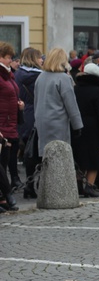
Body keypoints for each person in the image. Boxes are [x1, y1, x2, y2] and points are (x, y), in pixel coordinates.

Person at [34, 48, 83, 158]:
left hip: (42, 122)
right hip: (58, 122)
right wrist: (77, 125)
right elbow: (71, 105)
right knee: (59, 158)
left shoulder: (40, 77)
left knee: (46, 157)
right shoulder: (63, 78)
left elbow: (36, 101)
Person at [72, 63, 99, 198]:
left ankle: (79, 185)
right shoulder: (98, 91)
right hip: (94, 129)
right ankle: (90, 186)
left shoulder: (75, 89)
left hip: (77, 127)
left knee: (79, 157)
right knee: (94, 159)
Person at [15, 47, 43, 195]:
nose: (42, 60)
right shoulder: (39, 76)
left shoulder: (17, 74)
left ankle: (28, 184)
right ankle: (32, 185)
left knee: (27, 150)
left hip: (22, 113)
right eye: (39, 57)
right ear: (33, 58)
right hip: (35, 113)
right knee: (35, 152)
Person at [0, 42, 21, 211]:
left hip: (9, 122)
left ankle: (3, 198)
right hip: (2, 123)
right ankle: (5, 194)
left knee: (4, 162)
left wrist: (18, 105)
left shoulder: (8, 75)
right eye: (8, 57)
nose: (10, 60)